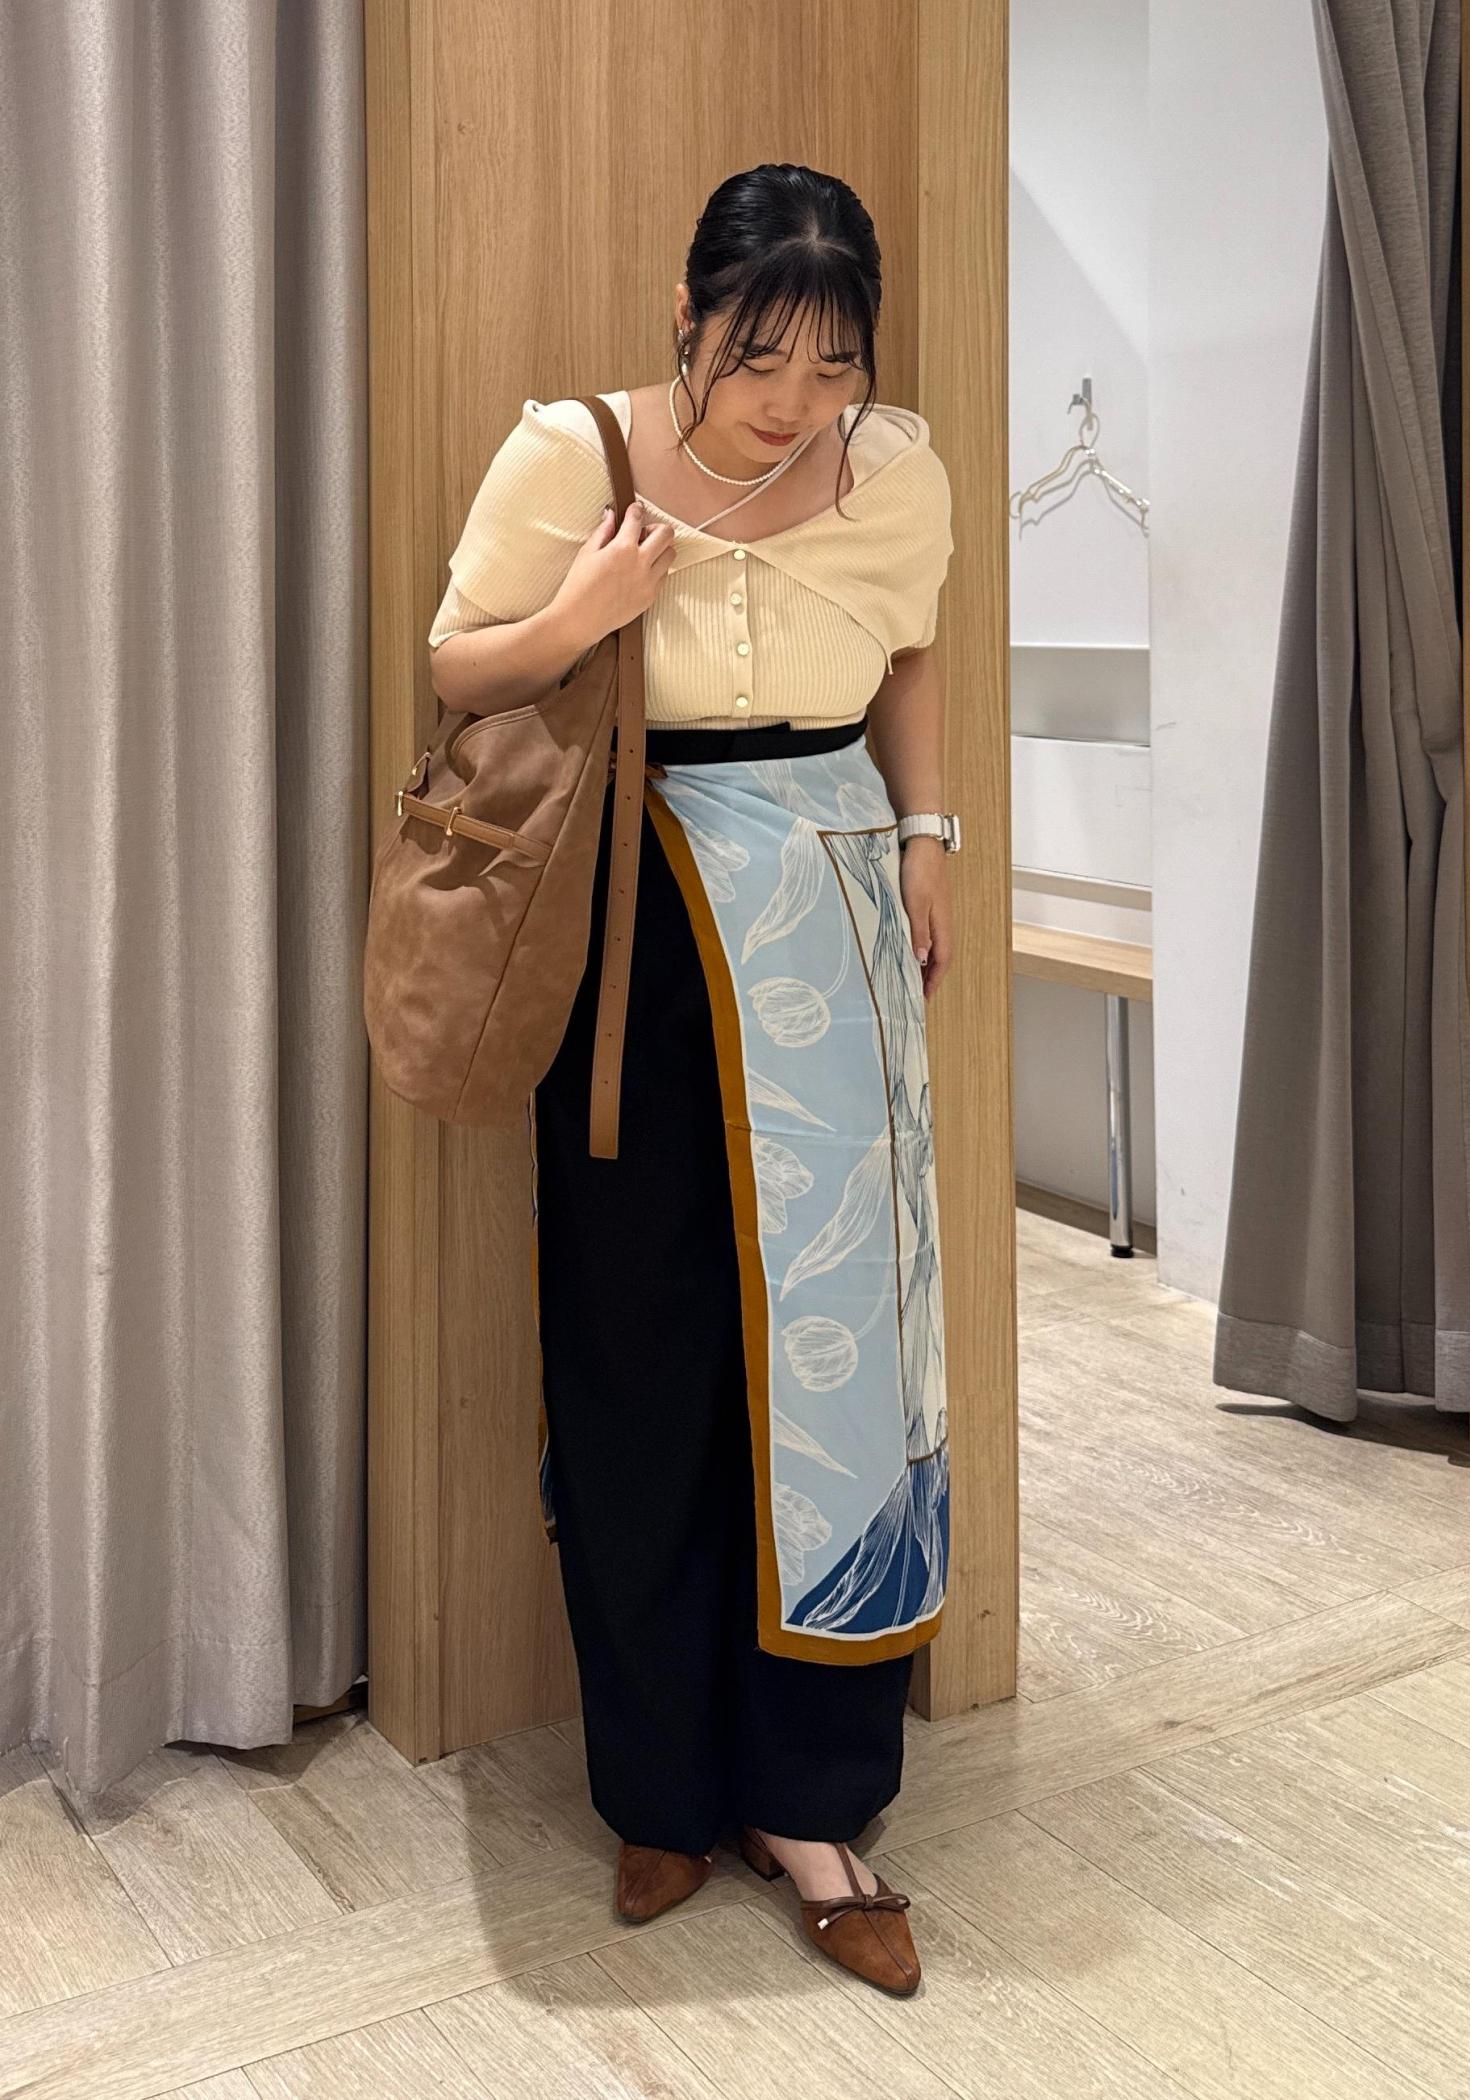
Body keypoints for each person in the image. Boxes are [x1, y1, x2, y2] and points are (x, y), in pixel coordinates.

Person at [428, 163, 958, 1997]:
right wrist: (589, 609)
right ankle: (657, 1787)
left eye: (832, 366)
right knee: (637, 1339)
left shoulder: (899, 472)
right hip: (630, 924)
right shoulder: (571, 453)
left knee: (839, 1356)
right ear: (688, 315)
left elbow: (909, 654)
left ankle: (816, 1801)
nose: (794, 402)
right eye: (757, 357)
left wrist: (932, 834)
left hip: (835, 921)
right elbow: (456, 666)